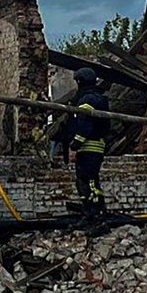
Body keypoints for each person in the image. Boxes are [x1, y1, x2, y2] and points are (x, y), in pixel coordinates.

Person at [61, 67, 110, 218]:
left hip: (89, 147)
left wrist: (75, 145)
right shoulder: (97, 97)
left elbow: (85, 123)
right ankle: (93, 210)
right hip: (95, 146)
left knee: (87, 181)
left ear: (80, 81)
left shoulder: (87, 99)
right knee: (89, 180)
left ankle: (94, 212)